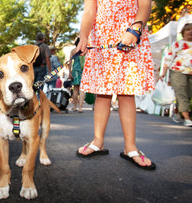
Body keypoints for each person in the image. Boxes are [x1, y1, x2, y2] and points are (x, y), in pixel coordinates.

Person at [75, 0, 156, 170]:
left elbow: (145, 5)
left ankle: (130, 147)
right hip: (102, 36)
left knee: (126, 92)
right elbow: (89, 11)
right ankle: (98, 141)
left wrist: (135, 28)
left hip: (129, 34)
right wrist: (83, 35)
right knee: (101, 92)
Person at [160, 23, 192, 127]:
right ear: (184, 32)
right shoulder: (177, 44)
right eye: (188, 30)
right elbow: (169, 58)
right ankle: (187, 118)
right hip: (177, 71)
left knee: (189, 94)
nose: (191, 32)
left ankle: (178, 110)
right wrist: (164, 72)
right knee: (181, 93)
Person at [69, 46, 86, 113]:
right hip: (83, 70)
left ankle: (75, 106)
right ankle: (80, 107)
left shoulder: (73, 50)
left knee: (75, 89)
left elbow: (70, 62)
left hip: (75, 70)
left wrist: (70, 72)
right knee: (82, 89)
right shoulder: (85, 50)